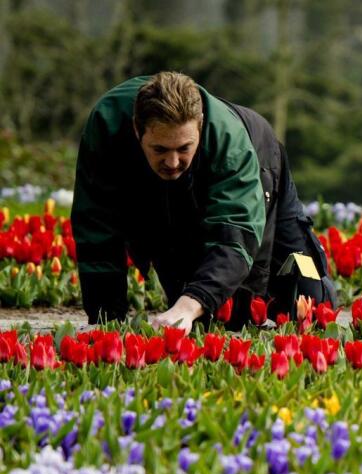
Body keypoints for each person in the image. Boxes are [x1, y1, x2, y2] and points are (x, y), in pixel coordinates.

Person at [72, 71, 336, 332]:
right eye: (160, 149)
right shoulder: (106, 126)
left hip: (261, 163)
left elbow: (236, 237)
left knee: (299, 302)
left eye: (183, 148)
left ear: (200, 127)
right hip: (156, 185)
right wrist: (105, 321)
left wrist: (190, 305)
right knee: (198, 318)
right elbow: (96, 227)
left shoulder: (230, 145)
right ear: (136, 129)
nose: (172, 162)